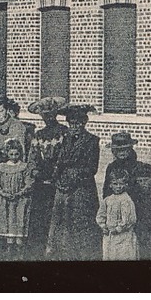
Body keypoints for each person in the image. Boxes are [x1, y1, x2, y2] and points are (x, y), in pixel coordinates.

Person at [46, 104, 102, 260]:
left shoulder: (92, 141)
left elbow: (92, 168)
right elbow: (57, 161)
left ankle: (83, 255)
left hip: (81, 187)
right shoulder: (63, 140)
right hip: (62, 185)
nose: (75, 127)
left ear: (84, 123)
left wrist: (74, 178)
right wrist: (57, 178)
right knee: (60, 220)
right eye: (72, 123)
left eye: (78, 123)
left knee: (81, 221)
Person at [0, 97, 33, 246]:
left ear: (7, 110)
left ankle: (10, 237)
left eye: (1, 111)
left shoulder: (17, 126)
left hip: (10, 167)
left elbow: (19, 150)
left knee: (9, 202)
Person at [24, 97, 67, 257]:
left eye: (50, 115)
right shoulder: (38, 135)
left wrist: (56, 173)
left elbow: (64, 156)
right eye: (44, 115)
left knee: (57, 218)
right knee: (38, 218)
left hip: (58, 181)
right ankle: (37, 251)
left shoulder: (64, 132)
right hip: (41, 182)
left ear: (56, 114)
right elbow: (32, 158)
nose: (48, 118)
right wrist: (34, 172)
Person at [0, 139, 31, 255]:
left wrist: (19, 193)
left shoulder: (24, 167)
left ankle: (19, 252)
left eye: (16, 154)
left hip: (19, 201)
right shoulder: (1, 167)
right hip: (4, 200)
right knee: (5, 224)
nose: (14, 157)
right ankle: (7, 252)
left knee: (18, 225)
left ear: (20, 153)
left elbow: (29, 183)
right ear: (7, 153)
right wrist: (3, 193)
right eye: (11, 154)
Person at [97, 172, 139, 260]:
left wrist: (118, 229)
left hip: (123, 236)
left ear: (126, 185)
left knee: (123, 255)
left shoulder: (126, 200)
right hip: (109, 236)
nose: (118, 187)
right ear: (110, 185)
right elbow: (101, 215)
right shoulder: (107, 200)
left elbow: (129, 220)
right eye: (115, 184)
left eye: (121, 184)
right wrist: (103, 226)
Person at [102, 131, 141, 197]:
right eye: (118, 150)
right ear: (113, 151)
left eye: (125, 149)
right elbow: (106, 190)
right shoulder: (111, 167)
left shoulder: (137, 167)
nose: (122, 153)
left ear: (130, 149)